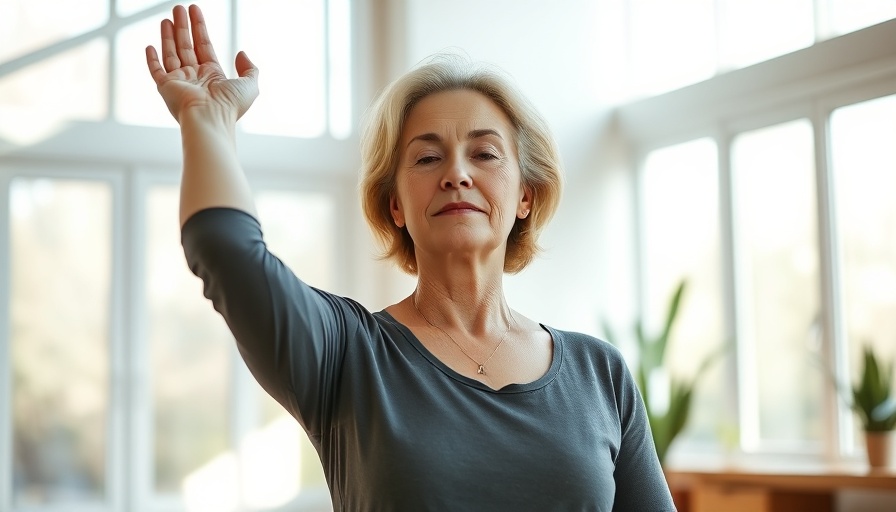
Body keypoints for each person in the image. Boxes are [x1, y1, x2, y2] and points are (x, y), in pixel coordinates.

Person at [145, 4, 676, 511]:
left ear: (526, 196)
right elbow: (225, 248)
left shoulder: (600, 375)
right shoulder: (345, 355)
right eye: (427, 157)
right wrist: (207, 117)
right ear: (396, 204)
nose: (456, 174)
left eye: (485, 153)